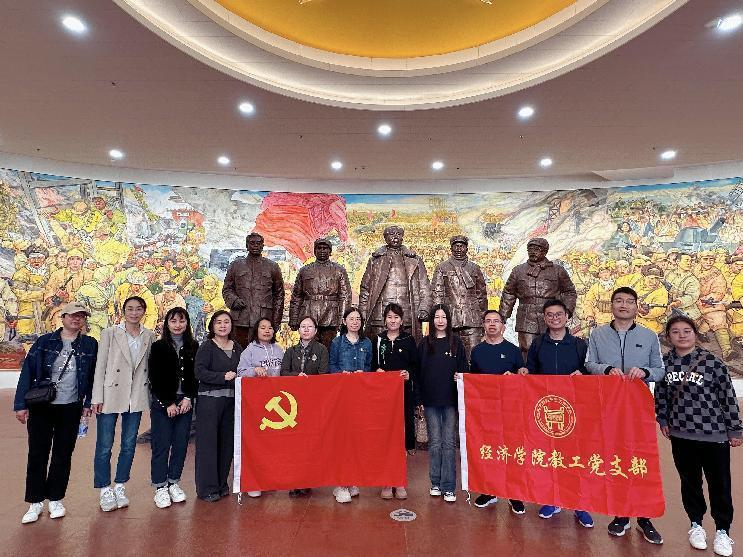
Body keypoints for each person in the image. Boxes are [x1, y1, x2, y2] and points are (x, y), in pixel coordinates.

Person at [655, 315, 742, 556]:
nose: (682, 335)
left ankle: (723, 530)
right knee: (690, 483)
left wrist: (735, 429)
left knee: (719, 484)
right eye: (675, 331)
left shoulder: (712, 363)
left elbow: (728, 398)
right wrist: (663, 419)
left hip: (713, 434)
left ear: (695, 334)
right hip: (681, 435)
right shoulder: (665, 364)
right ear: (668, 337)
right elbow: (661, 395)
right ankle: (696, 525)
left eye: (687, 330)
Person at [585, 286, 665, 544]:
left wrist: (645, 372)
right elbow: (589, 364)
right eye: (618, 301)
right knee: (615, 458)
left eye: (629, 301)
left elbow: (659, 370)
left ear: (636, 307)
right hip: (607, 407)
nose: (623, 305)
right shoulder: (597, 334)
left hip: (638, 409)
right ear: (612, 305)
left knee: (641, 459)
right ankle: (621, 514)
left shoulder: (649, 336)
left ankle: (644, 517)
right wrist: (606, 369)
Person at [14, 302, 97, 524]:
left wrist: (88, 402)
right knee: (37, 453)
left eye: (81, 316)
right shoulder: (44, 341)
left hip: (71, 407)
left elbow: (92, 377)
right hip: (42, 406)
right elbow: (27, 372)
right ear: (63, 317)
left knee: (63, 453)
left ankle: (56, 499)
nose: (76, 319)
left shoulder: (89, 344)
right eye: (72, 315)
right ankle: (35, 502)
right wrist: (20, 404)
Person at [524, 299, 593, 528]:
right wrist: (524, 372)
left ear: (567, 317)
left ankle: (580, 504)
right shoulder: (538, 344)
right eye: (550, 315)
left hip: (573, 411)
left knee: (575, 457)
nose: (555, 318)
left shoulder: (579, 345)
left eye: (559, 314)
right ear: (545, 318)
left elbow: (589, 372)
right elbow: (531, 371)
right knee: (550, 456)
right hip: (546, 410)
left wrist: (582, 374)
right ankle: (552, 500)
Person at [90, 295, 154, 512]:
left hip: (135, 395)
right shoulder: (110, 333)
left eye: (138, 309)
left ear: (144, 311)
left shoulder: (149, 335)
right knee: (104, 445)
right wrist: (97, 397)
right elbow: (100, 366)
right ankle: (104, 488)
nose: (134, 313)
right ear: (123, 311)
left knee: (128, 444)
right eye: (130, 309)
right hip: (111, 393)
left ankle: (120, 485)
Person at [468, 309, 528, 515]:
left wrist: (518, 374)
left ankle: (514, 494)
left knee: (511, 451)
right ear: (483, 325)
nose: (492, 324)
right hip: (485, 412)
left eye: (496, 321)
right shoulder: (477, 351)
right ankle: (489, 491)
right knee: (488, 450)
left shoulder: (513, 350)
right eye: (488, 321)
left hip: (510, 411)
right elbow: (473, 381)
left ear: (503, 325)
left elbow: (523, 375)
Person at [147, 306, 198, 509]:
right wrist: (168, 403)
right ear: (167, 324)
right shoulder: (158, 347)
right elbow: (155, 377)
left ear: (187, 323)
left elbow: (195, 376)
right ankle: (160, 486)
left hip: (185, 403)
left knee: (180, 444)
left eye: (182, 321)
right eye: (173, 321)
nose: (178, 325)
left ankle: (173, 482)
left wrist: (188, 398)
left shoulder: (193, 346)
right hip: (163, 404)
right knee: (161, 444)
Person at [417, 304, 467, 503]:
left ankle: (448, 487)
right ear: (432, 320)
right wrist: (419, 399)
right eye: (436, 317)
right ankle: (435, 483)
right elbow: (419, 373)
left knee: (449, 443)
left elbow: (464, 370)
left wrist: (460, 376)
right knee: (435, 443)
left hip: (450, 400)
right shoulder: (424, 344)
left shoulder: (456, 343)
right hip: (430, 400)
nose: (440, 320)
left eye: (443, 317)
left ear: (448, 320)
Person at [370, 303, 419, 500]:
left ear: (401, 320)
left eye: (396, 317)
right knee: (385, 437)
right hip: (382, 398)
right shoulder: (378, 339)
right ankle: (386, 482)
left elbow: (416, 365)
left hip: (403, 395)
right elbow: (372, 364)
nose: (393, 320)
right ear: (384, 320)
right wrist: (377, 371)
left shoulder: (408, 340)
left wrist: (409, 374)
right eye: (389, 317)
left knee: (401, 437)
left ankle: (399, 482)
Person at [499, 237, 577, 359]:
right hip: (526, 317)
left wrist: (566, 311)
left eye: (537, 249)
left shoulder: (558, 270)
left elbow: (569, 292)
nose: (533, 252)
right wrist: (503, 315)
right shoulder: (518, 270)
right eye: (530, 249)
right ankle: (527, 371)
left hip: (551, 316)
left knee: (551, 349)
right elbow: (509, 293)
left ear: (545, 251)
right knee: (527, 349)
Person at [194, 310, 243, 502]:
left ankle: (222, 484)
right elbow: (199, 372)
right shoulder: (207, 347)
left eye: (226, 322)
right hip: (210, 403)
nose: (223, 325)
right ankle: (207, 488)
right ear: (212, 326)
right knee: (208, 445)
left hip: (231, 403)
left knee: (226, 444)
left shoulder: (237, 347)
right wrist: (222, 377)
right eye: (218, 322)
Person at [236, 317, 284, 499]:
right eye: (263, 327)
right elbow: (240, 372)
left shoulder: (279, 350)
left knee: (273, 443)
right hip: (256, 405)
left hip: (276, 403)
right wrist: (254, 371)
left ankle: (269, 479)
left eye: (270, 327)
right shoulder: (249, 351)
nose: (267, 331)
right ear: (256, 330)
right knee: (257, 443)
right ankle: (254, 482)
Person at [328, 307, 372, 503]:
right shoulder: (337, 342)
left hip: (360, 397)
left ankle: (352, 479)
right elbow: (331, 365)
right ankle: (341, 484)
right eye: (351, 319)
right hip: (341, 397)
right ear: (344, 321)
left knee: (357, 439)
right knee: (342, 439)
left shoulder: (367, 343)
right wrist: (341, 375)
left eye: (358, 319)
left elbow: (369, 365)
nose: (355, 322)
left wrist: (364, 374)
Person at [281, 316, 328, 497]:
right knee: (294, 442)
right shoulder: (290, 351)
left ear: (315, 330)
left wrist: (309, 383)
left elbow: (323, 375)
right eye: (303, 326)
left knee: (311, 442)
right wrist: (296, 376)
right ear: (298, 330)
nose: (306, 329)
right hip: (293, 403)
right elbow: (283, 372)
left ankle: (308, 480)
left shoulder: (322, 350)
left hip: (313, 402)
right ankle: (295, 480)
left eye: (310, 326)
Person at [358, 225, 432, 342]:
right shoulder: (375, 260)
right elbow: (365, 288)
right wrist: (362, 312)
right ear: (385, 238)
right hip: (380, 315)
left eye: (398, 234)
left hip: (407, 315)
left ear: (402, 237)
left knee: (406, 348)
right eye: (391, 234)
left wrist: (424, 309)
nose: (395, 237)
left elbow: (425, 287)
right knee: (380, 349)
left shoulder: (415, 260)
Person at [222, 232, 284, 349]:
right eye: (252, 243)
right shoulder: (236, 266)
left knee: (263, 354)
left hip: (263, 320)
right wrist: (234, 301)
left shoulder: (272, 267)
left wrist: (275, 322)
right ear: (247, 245)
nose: (255, 246)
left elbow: (279, 295)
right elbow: (227, 289)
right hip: (240, 320)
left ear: (263, 246)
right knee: (238, 353)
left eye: (258, 243)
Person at [431, 236, 488, 359]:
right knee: (450, 357)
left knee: (474, 355)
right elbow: (437, 293)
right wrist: (439, 318)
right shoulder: (442, 267)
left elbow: (481, 295)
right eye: (456, 246)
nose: (458, 249)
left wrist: (483, 318)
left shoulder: (475, 268)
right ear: (451, 248)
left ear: (466, 248)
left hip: (472, 318)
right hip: (450, 318)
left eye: (461, 246)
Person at [288, 238, 352, 348]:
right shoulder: (305, 270)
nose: (322, 250)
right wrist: (294, 319)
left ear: (330, 251)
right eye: (319, 248)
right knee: (308, 349)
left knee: (328, 350)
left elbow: (345, 296)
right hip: (309, 315)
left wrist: (343, 319)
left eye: (325, 248)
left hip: (330, 317)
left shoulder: (339, 270)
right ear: (315, 251)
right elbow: (297, 296)